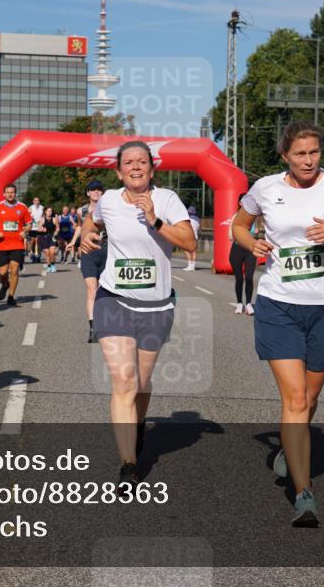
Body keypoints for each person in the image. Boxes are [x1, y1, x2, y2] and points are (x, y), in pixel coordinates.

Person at [232, 121, 324, 527]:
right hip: (278, 304)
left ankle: (288, 450)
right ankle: (304, 493)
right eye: (300, 154)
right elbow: (239, 224)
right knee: (294, 400)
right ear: (285, 157)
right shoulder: (265, 188)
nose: (309, 160)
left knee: (308, 401)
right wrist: (250, 242)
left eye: (314, 152)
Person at [80, 141, 196, 484]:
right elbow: (91, 221)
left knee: (142, 382)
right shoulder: (110, 200)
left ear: (151, 169)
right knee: (124, 380)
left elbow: (189, 242)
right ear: (118, 171)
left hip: (156, 305)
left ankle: (139, 423)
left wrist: (155, 220)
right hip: (113, 298)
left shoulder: (167, 200)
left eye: (141, 162)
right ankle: (129, 464)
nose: (135, 167)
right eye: (128, 162)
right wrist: (87, 236)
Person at [73, 179, 107, 342]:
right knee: (91, 289)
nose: (96, 192)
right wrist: (74, 242)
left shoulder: (109, 208)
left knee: (104, 291)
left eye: (99, 189)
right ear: (88, 192)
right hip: (88, 251)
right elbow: (80, 226)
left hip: (106, 251)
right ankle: (93, 328)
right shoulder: (82, 210)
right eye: (93, 189)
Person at [0, 183, 32, 307]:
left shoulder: (22, 207)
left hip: (17, 244)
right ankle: (5, 284)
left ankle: (11, 296)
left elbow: (29, 223)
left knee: (14, 270)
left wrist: (25, 231)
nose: (10, 194)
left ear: (15, 193)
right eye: (8, 192)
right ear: (4, 194)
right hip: (2, 244)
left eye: (12, 192)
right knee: (2, 272)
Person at [229, 193, 258, 315]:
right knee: (239, 278)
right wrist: (241, 234)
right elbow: (230, 236)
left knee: (249, 277)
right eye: (244, 201)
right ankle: (240, 303)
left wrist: (254, 233)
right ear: (240, 203)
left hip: (250, 250)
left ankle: (249, 304)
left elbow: (255, 232)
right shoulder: (235, 217)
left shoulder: (252, 217)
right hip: (237, 249)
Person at [38, 206, 58, 273]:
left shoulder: (54, 219)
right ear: (45, 212)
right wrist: (42, 229)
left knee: (52, 252)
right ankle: (49, 266)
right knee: (47, 253)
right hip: (44, 237)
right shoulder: (42, 219)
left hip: (52, 237)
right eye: (48, 211)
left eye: (50, 211)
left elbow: (58, 228)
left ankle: (53, 265)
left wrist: (56, 232)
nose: (49, 212)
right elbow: (38, 228)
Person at [184, 206, 201, 271]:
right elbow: (199, 227)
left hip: (188, 235)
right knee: (194, 251)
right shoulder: (197, 218)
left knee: (186, 250)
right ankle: (193, 266)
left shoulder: (187, 218)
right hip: (195, 236)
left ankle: (189, 265)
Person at [27, 196, 44, 263]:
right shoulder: (30, 208)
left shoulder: (42, 208)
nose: (37, 201)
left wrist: (42, 221)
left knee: (38, 241)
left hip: (39, 227)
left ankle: (38, 255)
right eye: (35, 200)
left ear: (39, 201)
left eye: (38, 200)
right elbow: (27, 216)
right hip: (32, 227)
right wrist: (30, 217)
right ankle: (32, 254)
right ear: (33, 201)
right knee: (32, 241)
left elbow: (44, 216)